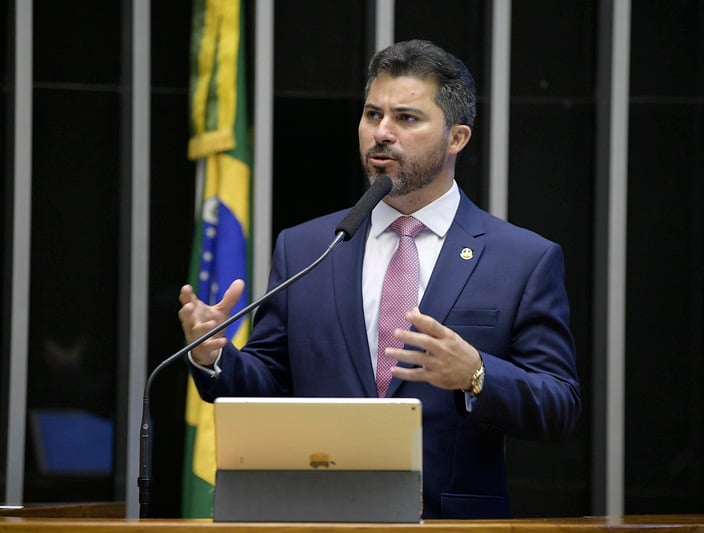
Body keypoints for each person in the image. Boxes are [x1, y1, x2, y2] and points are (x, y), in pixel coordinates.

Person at [179, 39, 581, 519]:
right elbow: (270, 382)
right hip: (319, 520)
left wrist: (476, 374)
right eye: (373, 115)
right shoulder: (309, 248)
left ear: (457, 138)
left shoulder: (522, 258)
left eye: (406, 119)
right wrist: (214, 356)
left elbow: (559, 405)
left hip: (452, 526)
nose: (381, 133)